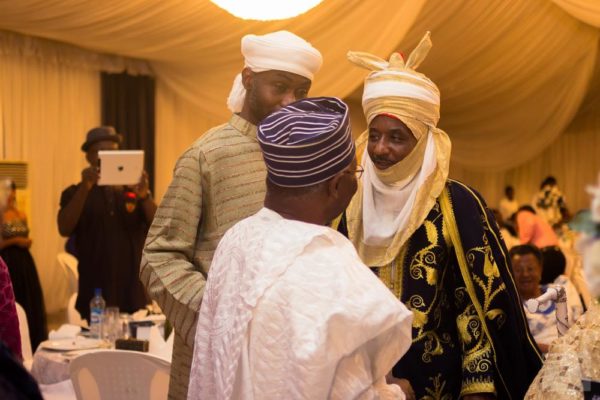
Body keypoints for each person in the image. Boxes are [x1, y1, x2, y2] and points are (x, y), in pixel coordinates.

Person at [341, 32, 543, 399]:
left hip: (436, 390)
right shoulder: (347, 202)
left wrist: (476, 390)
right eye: (374, 135)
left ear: (423, 141)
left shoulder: (457, 203)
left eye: (397, 137)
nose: (380, 149)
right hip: (354, 387)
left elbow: (481, 312)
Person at [187, 97, 413, 400]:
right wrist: (398, 393)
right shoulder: (332, 267)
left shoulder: (236, 239)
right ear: (336, 185)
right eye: (354, 174)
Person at [141, 31, 323, 400]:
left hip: (290, 353)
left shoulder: (306, 158)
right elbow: (158, 255)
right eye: (280, 87)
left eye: (301, 93)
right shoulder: (207, 155)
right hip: (213, 353)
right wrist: (219, 316)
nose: (290, 103)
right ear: (248, 78)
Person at [58, 126, 156, 321]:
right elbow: (64, 228)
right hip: (95, 293)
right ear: (88, 157)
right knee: (96, 348)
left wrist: (144, 196)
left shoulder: (133, 191)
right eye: (101, 153)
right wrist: (85, 188)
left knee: (134, 350)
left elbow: (158, 227)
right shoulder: (75, 192)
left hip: (132, 291)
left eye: (113, 152)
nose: (107, 157)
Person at [0, 179, 47, 349]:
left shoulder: (21, 214)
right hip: (8, 260)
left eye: (13, 191)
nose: (11, 194)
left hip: (24, 262)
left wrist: (25, 242)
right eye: (8, 191)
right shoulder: (1, 215)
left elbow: (27, 237)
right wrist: (16, 240)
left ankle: (31, 341)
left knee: (28, 301)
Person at [510, 244, 582, 353]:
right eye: (518, 270)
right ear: (510, 273)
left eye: (530, 268)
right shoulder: (513, 307)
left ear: (540, 269)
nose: (525, 274)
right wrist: (558, 350)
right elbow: (519, 344)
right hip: (546, 361)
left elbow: (580, 323)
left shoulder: (560, 290)